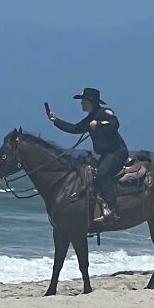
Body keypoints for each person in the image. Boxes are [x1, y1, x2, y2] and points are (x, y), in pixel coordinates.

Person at [47, 88, 128, 223]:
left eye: (83, 101)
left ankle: (112, 210)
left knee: (102, 173)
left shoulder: (104, 112)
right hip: (106, 154)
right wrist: (55, 120)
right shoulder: (91, 118)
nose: (81, 104)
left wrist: (99, 124)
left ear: (91, 102)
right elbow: (75, 129)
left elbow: (115, 124)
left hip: (117, 153)